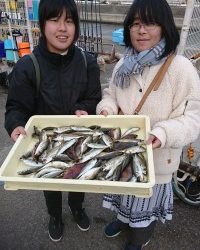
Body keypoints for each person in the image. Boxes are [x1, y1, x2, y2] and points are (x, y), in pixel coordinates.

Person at [96, 0, 200, 249]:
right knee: (124, 194)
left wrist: (163, 133)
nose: (141, 30)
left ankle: (140, 237)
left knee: (146, 202)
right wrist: (107, 109)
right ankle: (123, 219)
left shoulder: (181, 68)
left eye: (150, 23)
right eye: (135, 24)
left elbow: (193, 119)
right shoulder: (123, 65)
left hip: (158, 159)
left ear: (164, 27)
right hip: (123, 150)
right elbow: (111, 93)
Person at [5, 0, 101, 243]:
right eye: (54, 20)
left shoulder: (87, 62)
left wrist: (85, 109)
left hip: (80, 139)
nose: (62, 28)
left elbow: (93, 98)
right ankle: (55, 215)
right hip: (45, 141)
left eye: (69, 21)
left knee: (79, 175)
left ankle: (77, 206)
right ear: (43, 24)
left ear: (76, 26)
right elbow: (16, 107)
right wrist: (15, 124)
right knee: (50, 180)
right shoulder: (27, 66)